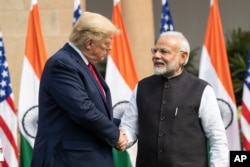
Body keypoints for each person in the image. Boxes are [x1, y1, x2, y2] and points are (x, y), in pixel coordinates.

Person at [31, 11, 127, 167]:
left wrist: (127, 125)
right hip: (67, 159)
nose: (109, 50)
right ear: (89, 43)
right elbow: (83, 110)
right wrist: (116, 135)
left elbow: (98, 112)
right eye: (106, 45)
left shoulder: (83, 65)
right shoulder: (62, 64)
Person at [120, 31, 229, 167]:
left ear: (183, 57)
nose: (156, 56)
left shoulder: (202, 89)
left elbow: (217, 138)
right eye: (154, 50)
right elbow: (130, 127)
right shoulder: (142, 87)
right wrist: (123, 139)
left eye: (164, 51)